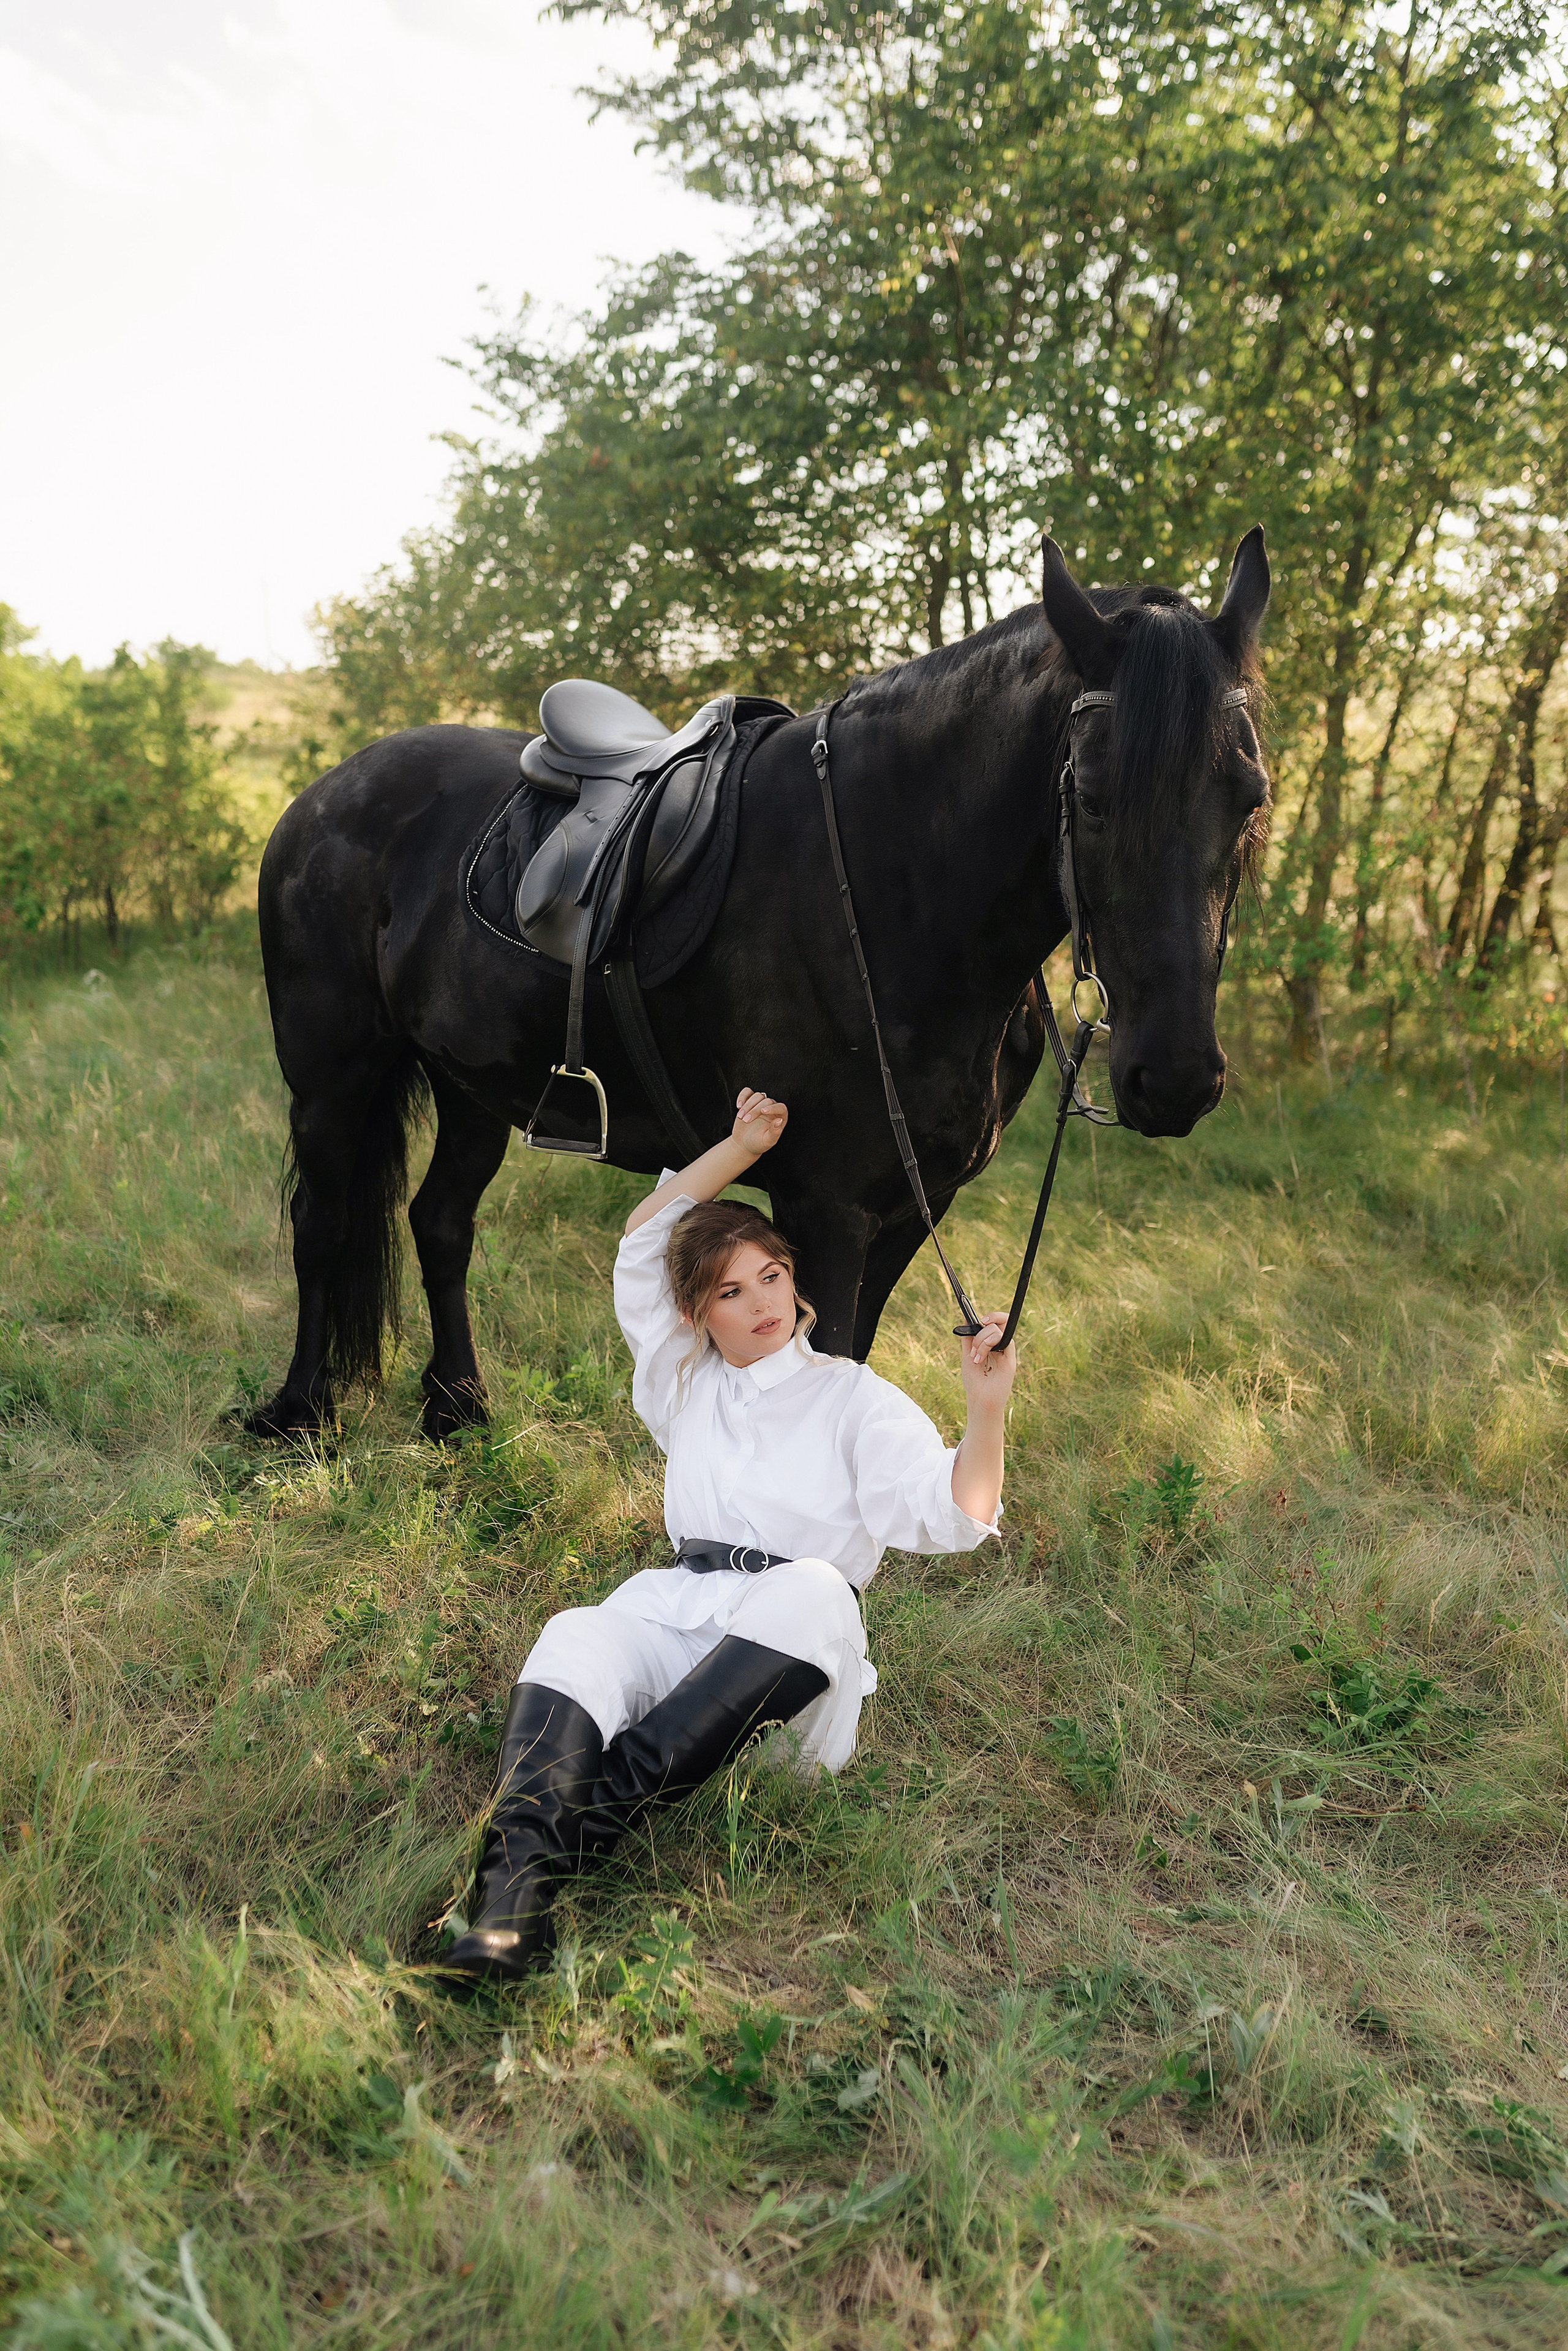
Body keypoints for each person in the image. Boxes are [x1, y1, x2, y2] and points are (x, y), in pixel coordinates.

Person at [439, 1088, 1016, 1986]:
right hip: (685, 1608)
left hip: (791, 1676)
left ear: (795, 1279)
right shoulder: (685, 1383)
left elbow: (955, 1508)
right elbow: (643, 1241)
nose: (759, 1304)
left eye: (772, 1278)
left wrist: (987, 1410)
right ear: (696, 1315)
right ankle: (511, 1907)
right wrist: (740, 1147)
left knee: (818, 1585)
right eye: (730, 1292)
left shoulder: (849, 1395)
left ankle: (581, 1827)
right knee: (577, 1631)